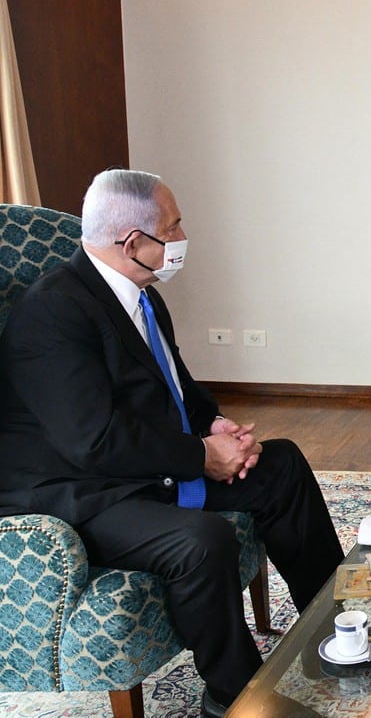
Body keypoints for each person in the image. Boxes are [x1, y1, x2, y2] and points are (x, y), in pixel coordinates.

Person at [0, 170, 345, 718]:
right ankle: (234, 695)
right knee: (201, 543)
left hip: (140, 465)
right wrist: (200, 458)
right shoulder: (54, 312)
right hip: (80, 492)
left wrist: (214, 426)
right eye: (174, 225)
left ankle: (336, 629)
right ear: (134, 243)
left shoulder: (141, 295)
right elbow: (92, 441)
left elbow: (176, 387)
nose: (183, 235)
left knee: (280, 466)